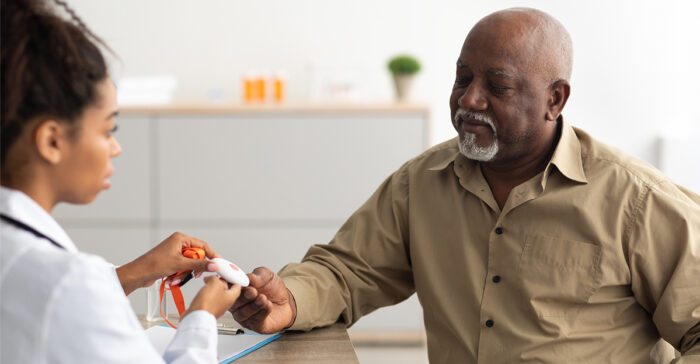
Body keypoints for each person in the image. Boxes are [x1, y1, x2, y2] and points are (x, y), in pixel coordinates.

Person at [228, 7, 700, 363]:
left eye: (497, 87)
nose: (469, 99)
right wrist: (289, 299)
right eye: (462, 78)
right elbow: (348, 271)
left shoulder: (636, 199)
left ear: (554, 100)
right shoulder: (421, 183)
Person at [0, 0, 241, 363]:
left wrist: (135, 273)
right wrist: (201, 317)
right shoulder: (68, 285)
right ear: (51, 140)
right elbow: (66, 297)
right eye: (108, 129)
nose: (116, 148)